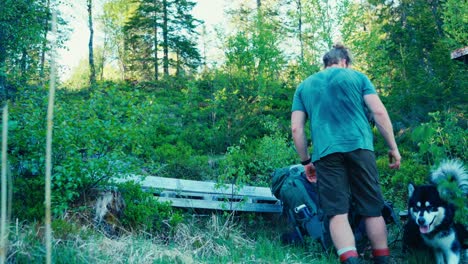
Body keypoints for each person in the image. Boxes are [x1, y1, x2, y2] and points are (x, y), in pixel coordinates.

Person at [290, 44, 401, 264]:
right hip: (360, 147)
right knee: (372, 209)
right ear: (345, 62)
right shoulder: (358, 78)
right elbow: (378, 111)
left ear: (325, 63)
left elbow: (296, 129)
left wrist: (306, 161)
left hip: (326, 154)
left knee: (337, 213)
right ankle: (382, 259)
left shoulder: (304, 87)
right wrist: (393, 148)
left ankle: (351, 260)